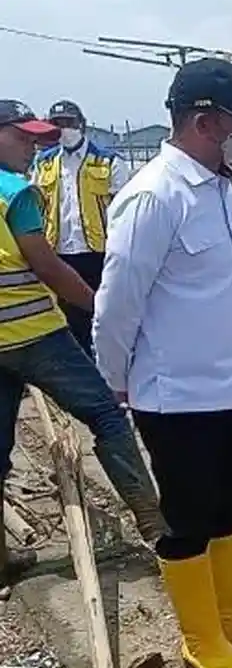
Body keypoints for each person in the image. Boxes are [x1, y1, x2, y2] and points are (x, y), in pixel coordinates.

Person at [93, 58, 232, 668]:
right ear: (205, 121)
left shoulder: (221, 188)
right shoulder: (155, 195)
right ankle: (200, 638)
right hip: (176, 394)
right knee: (188, 513)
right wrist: (116, 380)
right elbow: (117, 300)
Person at [0, 100, 162, 576]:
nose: (33, 147)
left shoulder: (103, 164)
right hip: (35, 336)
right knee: (108, 416)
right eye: (23, 137)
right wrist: (106, 311)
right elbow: (48, 267)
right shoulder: (16, 192)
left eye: (38, 139)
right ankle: (155, 524)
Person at [31, 101, 131, 356]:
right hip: (59, 255)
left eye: (69, 122)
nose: (64, 129)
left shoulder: (109, 161)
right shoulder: (42, 164)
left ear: (82, 124)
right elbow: (36, 205)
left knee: (104, 315)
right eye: (57, 123)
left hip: (99, 253)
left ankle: (110, 367)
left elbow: (123, 213)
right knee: (68, 321)